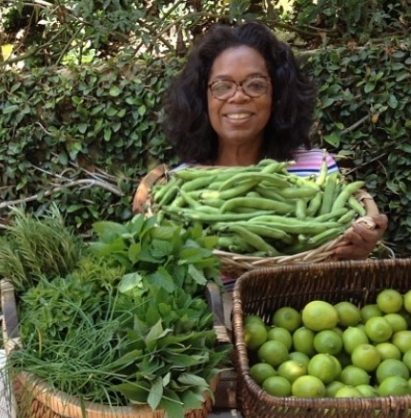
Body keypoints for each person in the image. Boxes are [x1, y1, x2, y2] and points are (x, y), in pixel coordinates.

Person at [132, 21, 387, 260]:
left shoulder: (317, 169)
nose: (238, 97)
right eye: (222, 86)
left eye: (255, 85)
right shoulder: (176, 188)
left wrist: (357, 249)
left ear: (277, 95)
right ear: (203, 98)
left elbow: (333, 264)